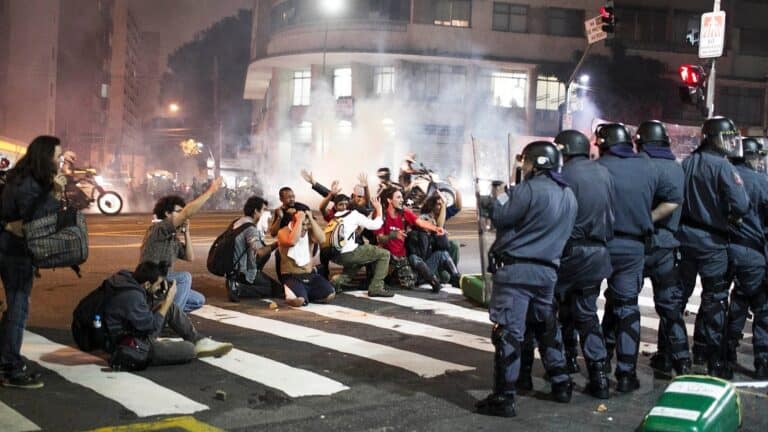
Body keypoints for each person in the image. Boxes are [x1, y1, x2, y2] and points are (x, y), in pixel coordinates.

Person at [476, 141, 576, 417]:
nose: (524, 167)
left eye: (527, 163)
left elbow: (500, 214)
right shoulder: (568, 195)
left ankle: (504, 397)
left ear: (535, 163)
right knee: (546, 327)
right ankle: (561, 383)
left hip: (517, 273)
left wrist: (495, 197)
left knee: (509, 333)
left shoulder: (526, 190)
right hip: (548, 274)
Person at [596, 123, 680, 392]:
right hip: (637, 247)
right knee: (628, 308)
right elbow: (674, 198)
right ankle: (627, 373)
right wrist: (647, 218)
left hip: (602, 245)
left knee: (583, 307)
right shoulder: (648, 167)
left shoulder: (598, 168)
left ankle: (596, 369)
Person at [678, 117, 749, 378]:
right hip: (712, 243)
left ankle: (673, 354)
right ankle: (713, 360)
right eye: (726, 137)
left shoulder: (687, 163)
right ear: (712, 138)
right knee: (715, 300)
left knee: (679, 296)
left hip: (685, 239)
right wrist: (728, 217)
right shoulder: (723, 167)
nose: (729, 142)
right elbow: (740, 205)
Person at [546, 129, 614, 399]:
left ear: (565, 150)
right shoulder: (604, 172)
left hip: (569, 253)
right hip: (598, 253)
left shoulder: (564, 176)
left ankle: (565, 364)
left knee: (556, 310)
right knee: (586, 313)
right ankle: (599, 377)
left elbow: (554, 215)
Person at [0, 135, 67, 389]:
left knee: (13, 308)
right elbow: (34, 220)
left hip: (10, 248)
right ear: (44, 156)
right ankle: (11, 369)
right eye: (57, 156)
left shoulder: (20, 177)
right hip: (15, 252)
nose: (59, 161)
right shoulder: (27, 183)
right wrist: (56, 193)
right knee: (18, 308)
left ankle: (6, 359)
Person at [635, 121, 691, 377]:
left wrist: (645, 219)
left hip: (641, 245)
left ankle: (619, 367)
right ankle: (681, 361)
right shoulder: (676, 168)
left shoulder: (642, 165)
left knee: (622, 303)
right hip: (667, 249)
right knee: (670, 309)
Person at [103, 262, 233, 368]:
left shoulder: (129, 281)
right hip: (131, 346)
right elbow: (151, 327)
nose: (159, 286)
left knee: (168, 307)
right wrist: (168, 299)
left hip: (131, 332)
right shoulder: (134, 298)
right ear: (147, 284)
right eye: (158, 284)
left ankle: (198, 340)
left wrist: (160, 297)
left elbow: (143, 316)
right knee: (188, 349)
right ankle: (184, 346)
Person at [139, 177, 223, 313]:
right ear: (167, 213)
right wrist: (211, 191)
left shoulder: (173, 238)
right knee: (184, 278)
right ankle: (169, 318)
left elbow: (190, 257)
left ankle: (160, 310)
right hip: (151, 280)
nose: (182, 216)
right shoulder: (159, 228)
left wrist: (186, 232)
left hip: (164, 283)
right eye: (178, 211)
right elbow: (187, 213)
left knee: (198, 300)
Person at [724, 137, 768, 379]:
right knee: (761, 305)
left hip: (723, 249)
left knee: (727, 301)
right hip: (752, 253)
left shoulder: (724, 178)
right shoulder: (762, 182)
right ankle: (763, 360)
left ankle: (725, 352)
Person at [376, 188, 444, 291]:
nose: (402, 200)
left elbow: (420, 222)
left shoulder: (404, 213)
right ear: (389, 200)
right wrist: (393, 235)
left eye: (402, 197)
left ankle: (433, 280)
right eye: (398, 197)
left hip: (401, 257)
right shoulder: (382, 216)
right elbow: (379, 239)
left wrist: (436, 228)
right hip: (387, 257)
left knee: (409, 284)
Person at [328, 191, 392, 297]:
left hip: (336, 255)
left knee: (359, 260)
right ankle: (376, 287)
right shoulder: (353, 215)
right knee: (384, 254)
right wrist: (379, 209)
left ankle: (337, 281)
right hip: (350, 253)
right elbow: (375, 225)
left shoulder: (334, 217)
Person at [227, 196, 281, 302]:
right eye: (263, 210)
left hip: (231, 268)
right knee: (277, 290)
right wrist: (278, 243)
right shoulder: (250, 229)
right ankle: (238, 288)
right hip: (242, 271)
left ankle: (236, 283)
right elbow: (260, 252)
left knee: (265, 251)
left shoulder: (237, 222)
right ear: (256, 211)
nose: (266, 213)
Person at [277, 211, 335, 307]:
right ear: (293, 222)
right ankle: (296, 295)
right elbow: (292, 241)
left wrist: (311, 219)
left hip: (309, 275)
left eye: (307, 225)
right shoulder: (283, 232)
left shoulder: (309, 233)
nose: (304, 227)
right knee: (299, 301)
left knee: (330, 295)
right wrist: (300, 219)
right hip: (292, 277)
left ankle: (305, 293)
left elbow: (322, 239)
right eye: (303, 224)